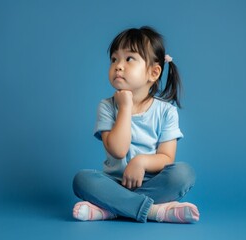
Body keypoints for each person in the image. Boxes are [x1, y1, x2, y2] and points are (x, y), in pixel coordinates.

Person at [72, 26, 200, 223]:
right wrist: (125, 108)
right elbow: (118, 151)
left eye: (129, 59)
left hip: (152, 183)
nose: (118, 66)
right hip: (113, 184)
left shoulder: (166, 111)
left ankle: (111, 209)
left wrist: (141, 162)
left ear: (153, 72)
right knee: (82, 180)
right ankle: (154, 211)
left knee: (183, 173)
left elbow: (167, 157)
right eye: (114, 59)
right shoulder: (107, 106)